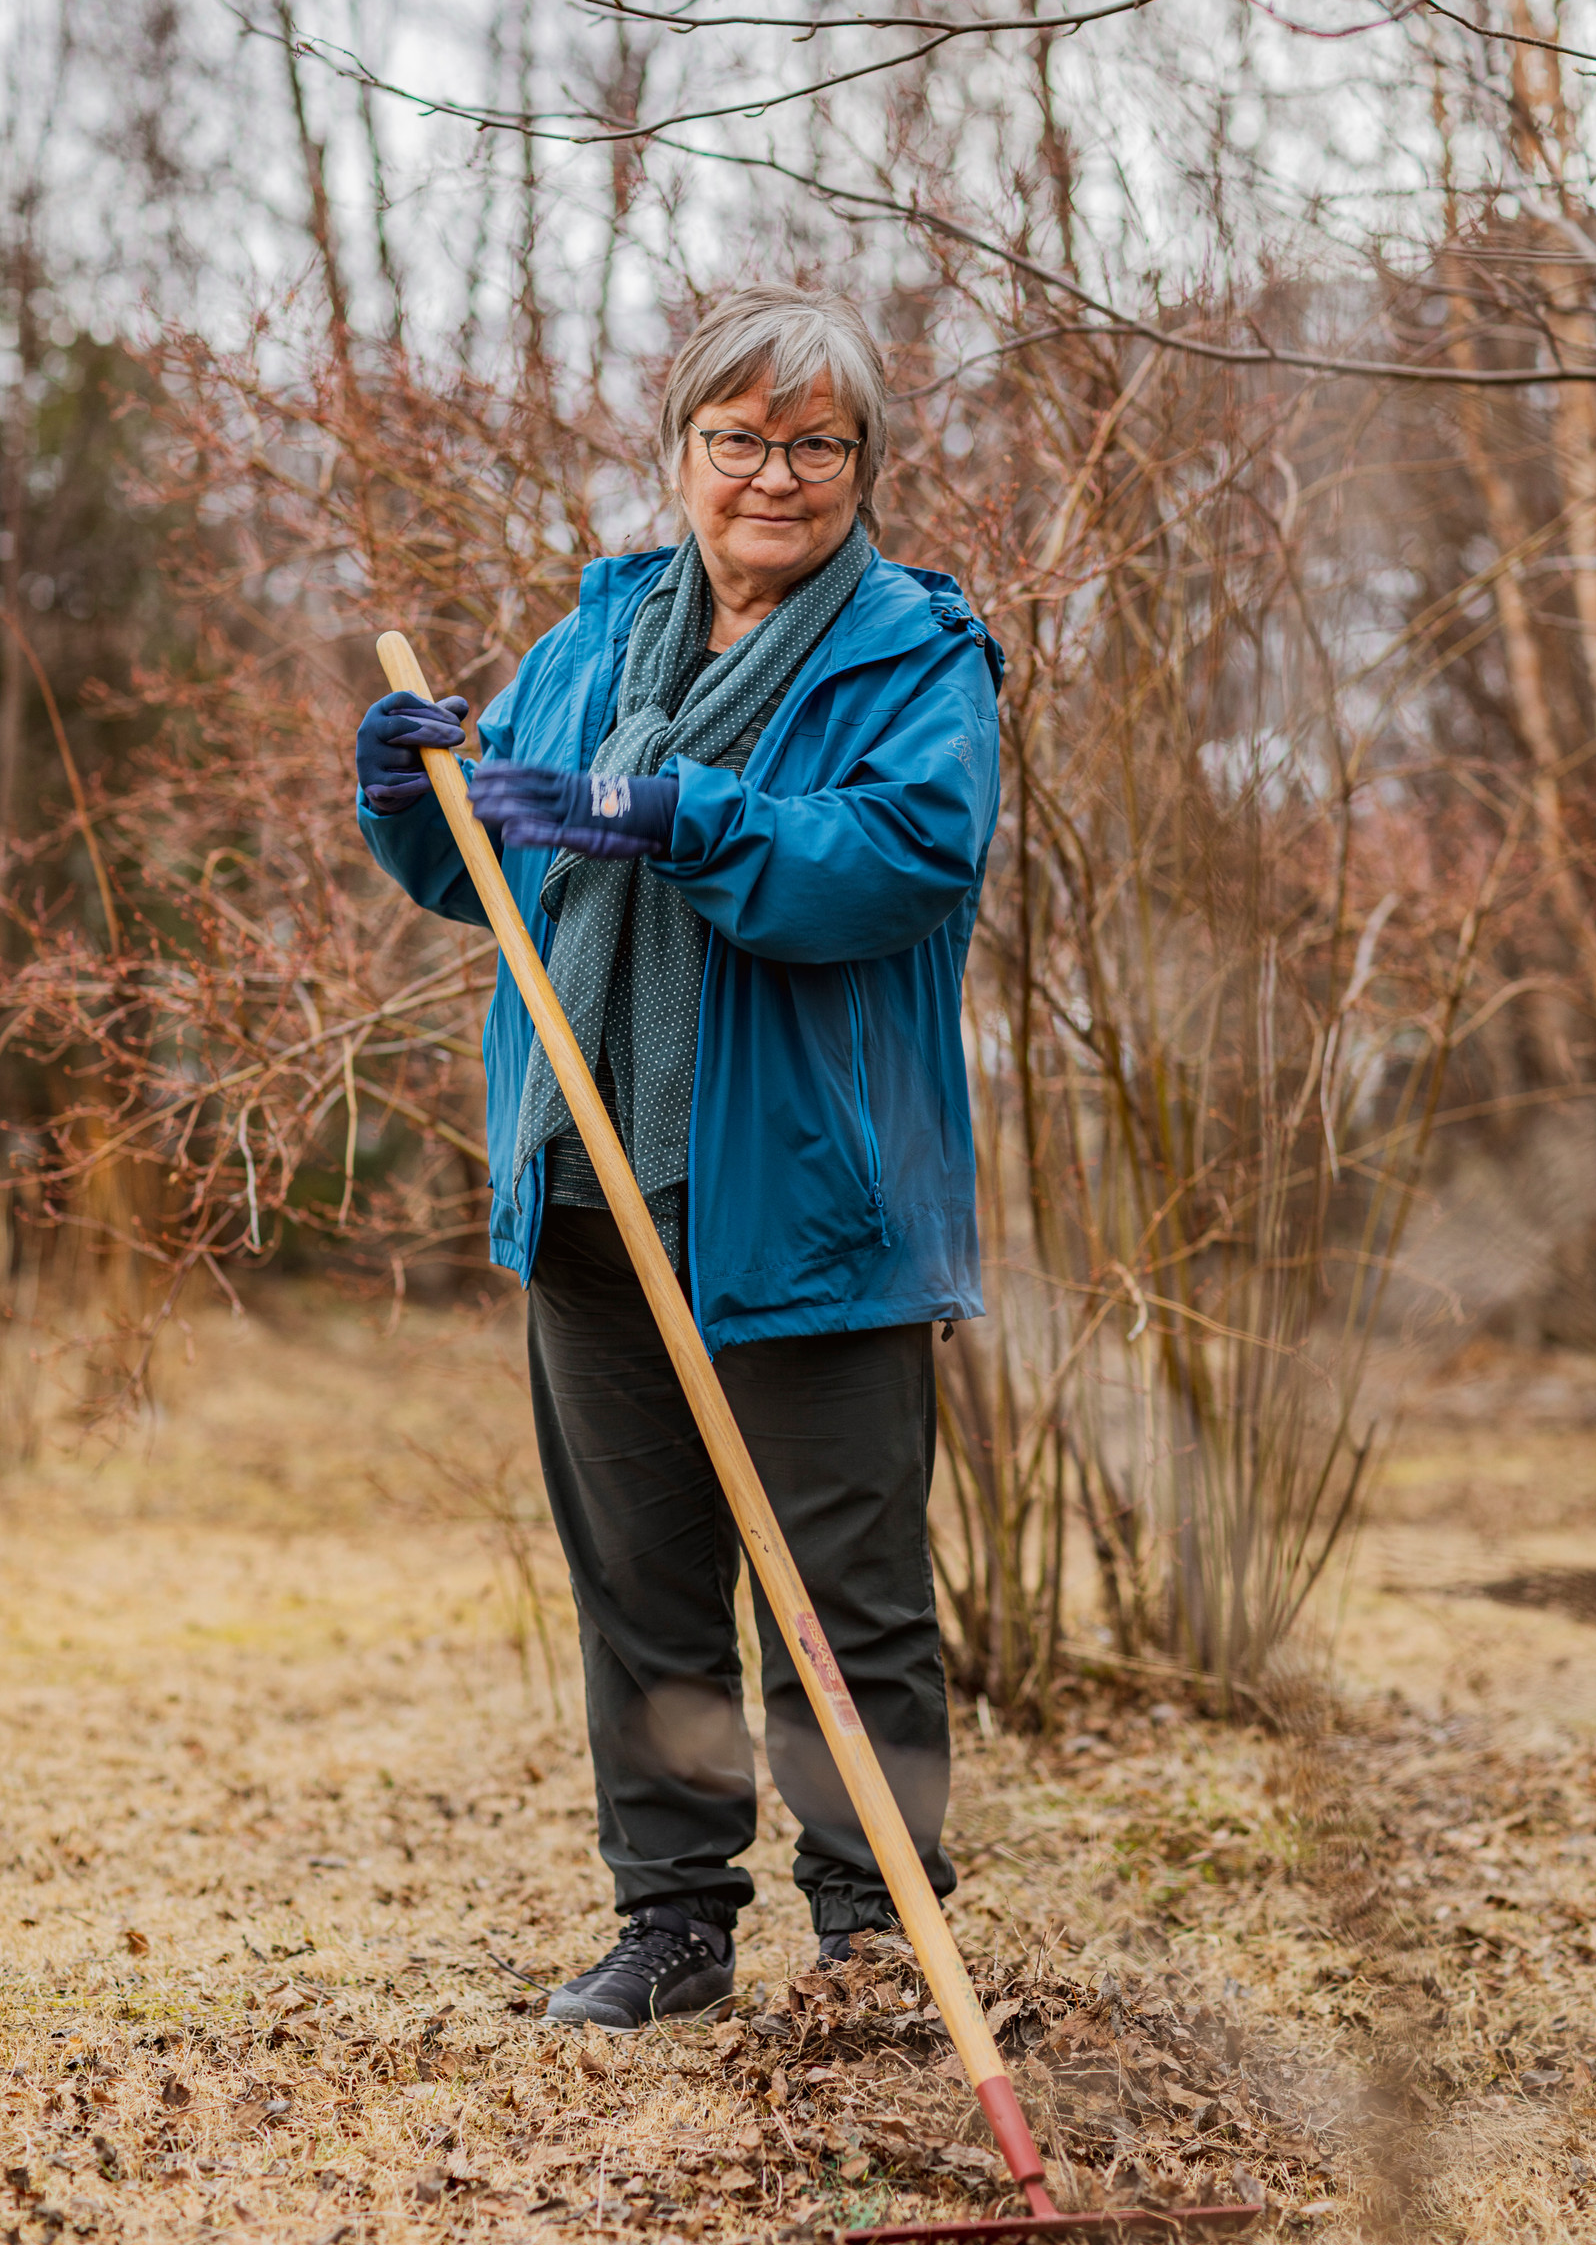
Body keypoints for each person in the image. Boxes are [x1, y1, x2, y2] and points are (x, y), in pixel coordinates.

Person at [356, 285, 1002, 2031]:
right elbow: (498, 872)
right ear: (683, 453)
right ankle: (671, 1929)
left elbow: (898, 862)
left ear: (864, 465)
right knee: (642, 1588)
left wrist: (674, 812)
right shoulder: (598, 640)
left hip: (809, 1198)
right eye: (740, 438)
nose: (774, 475)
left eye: (816, 443)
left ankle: (875, 1939)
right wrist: (418, 797)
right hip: (585, 1184)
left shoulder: (914, 656)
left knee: (845, 1600)